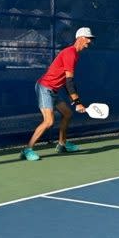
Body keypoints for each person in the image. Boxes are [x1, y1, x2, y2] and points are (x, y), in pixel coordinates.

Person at [21, 27, 95, 161]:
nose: (89, 42)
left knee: (67, 114)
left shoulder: (75, 55)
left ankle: (61, 144)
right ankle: (27, 150)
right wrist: (77, 102)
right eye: (88, 39)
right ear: (80, 38)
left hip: (54, 90)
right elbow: (69, 81)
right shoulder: (70, 53)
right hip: (45, 88)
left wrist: (74, 100)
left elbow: (67, 81)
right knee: (49, 121)